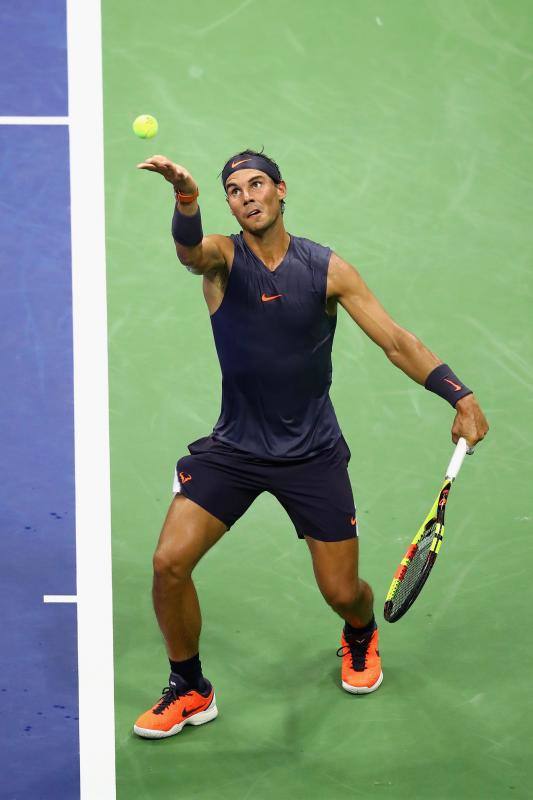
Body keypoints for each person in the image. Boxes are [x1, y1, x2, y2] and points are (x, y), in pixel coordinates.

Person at [132, 149, 489, 739]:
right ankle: (190, 688)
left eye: (256, 185)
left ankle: (359, 633)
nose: (246, 196)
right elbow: (191, 254)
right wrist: (186, 201)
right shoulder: (223, 260)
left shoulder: (326, 270)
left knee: (342, 592)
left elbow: (396, 342)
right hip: (236, 449)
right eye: (233, 190)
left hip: (311, 454)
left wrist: (460, 395)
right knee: (169, 563)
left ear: (281, 191)